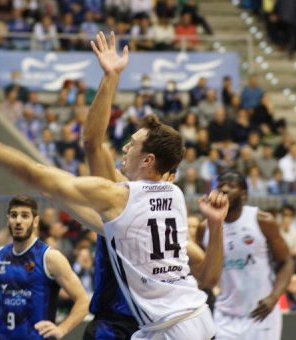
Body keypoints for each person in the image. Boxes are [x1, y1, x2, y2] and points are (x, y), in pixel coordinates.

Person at [0, 31, 225, 339]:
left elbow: (69, 155)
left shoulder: (119, 198)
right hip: (187, 320)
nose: (125, 150)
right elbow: (207, 275)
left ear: (148, 160)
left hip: (170, 328)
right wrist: (216, 225)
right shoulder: (175, 197)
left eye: (132, 145)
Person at [78, 31, 228, 339]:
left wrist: (110, 77)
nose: (125, 150)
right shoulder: (123, 195)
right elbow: (95, 145)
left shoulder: (165, 227)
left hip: (147, 324)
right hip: (127, 324)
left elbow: (93, 143)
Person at [0, 196, 89, 339]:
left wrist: (62, 329)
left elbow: (83, 300)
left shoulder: (50, 257)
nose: (18, 221)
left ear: (35, 221)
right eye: (14, 215)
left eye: (25, 216)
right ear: (8, 220)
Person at [198, 170, 294, 340]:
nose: (225, 189)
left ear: (244, 195)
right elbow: (200, 275)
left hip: (261, 313)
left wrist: (273, 298)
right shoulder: (205, 228)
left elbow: (286, 262)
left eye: (231, 186)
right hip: (224, 315)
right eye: (220, 186)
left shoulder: (262, 221)